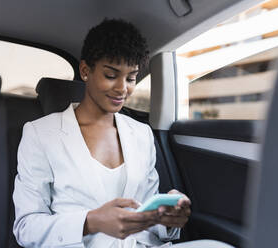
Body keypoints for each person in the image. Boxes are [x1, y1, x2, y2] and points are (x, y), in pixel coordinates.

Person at [13, 19, 231, 248]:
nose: (122, 88)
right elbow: (26, 228)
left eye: (131, 78)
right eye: (111, 75)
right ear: (85, 70)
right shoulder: (40, 134)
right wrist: (91, 222)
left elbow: (144, 211)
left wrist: (165, 218)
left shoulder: (141, 134)